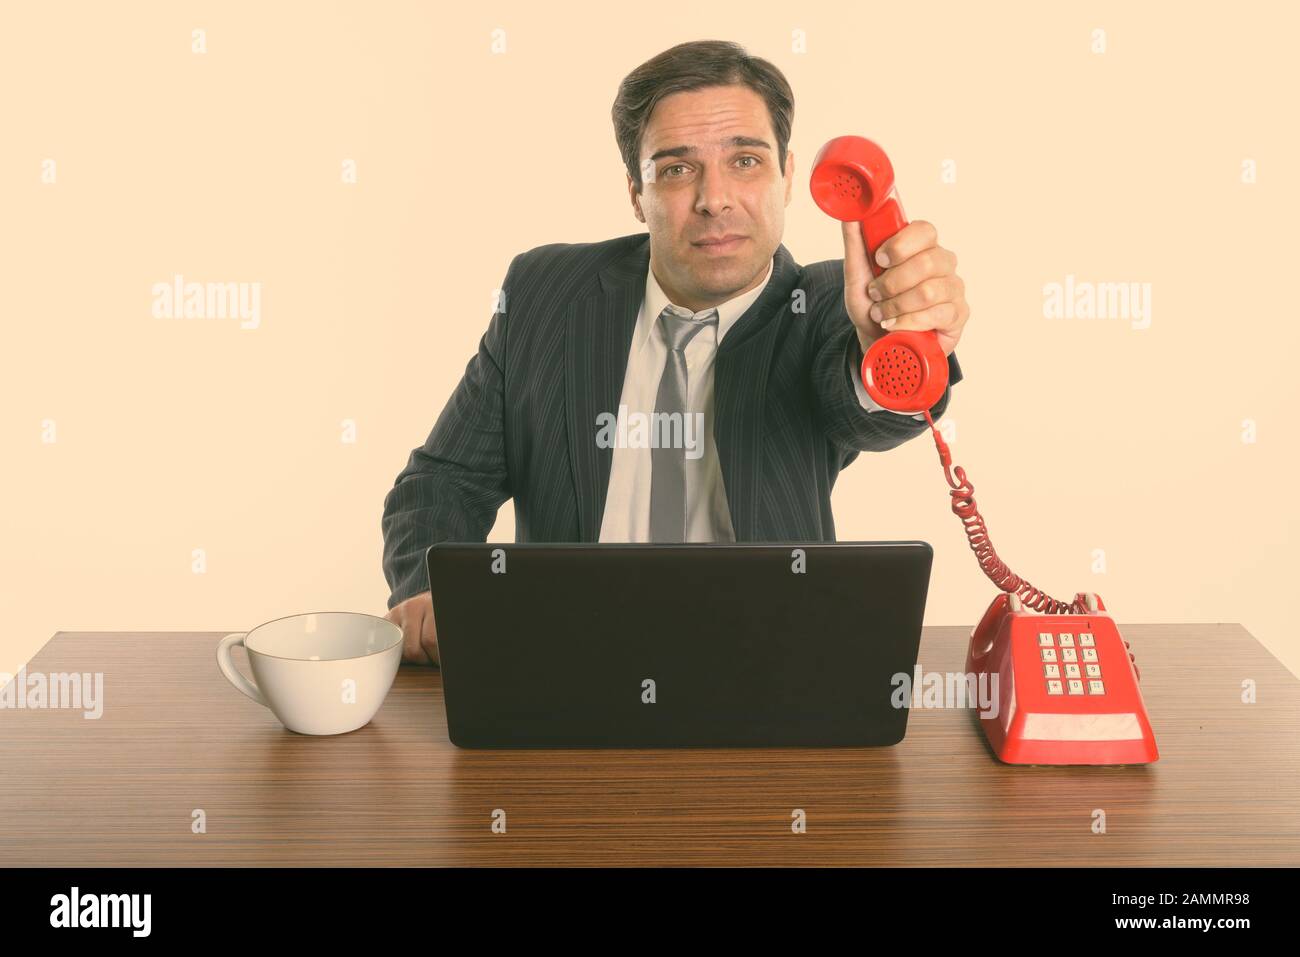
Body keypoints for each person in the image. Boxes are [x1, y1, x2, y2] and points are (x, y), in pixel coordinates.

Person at [382, 39, 971, 666]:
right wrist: (429, 588)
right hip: (565, 664)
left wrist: (891, 351)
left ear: (788, 177)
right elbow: (445, 478)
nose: (714, 198)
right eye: (677, 168)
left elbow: (864, 414)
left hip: (769, 668)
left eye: (745, 161)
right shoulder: (544, 294)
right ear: (637, 192)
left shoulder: (828, 303)